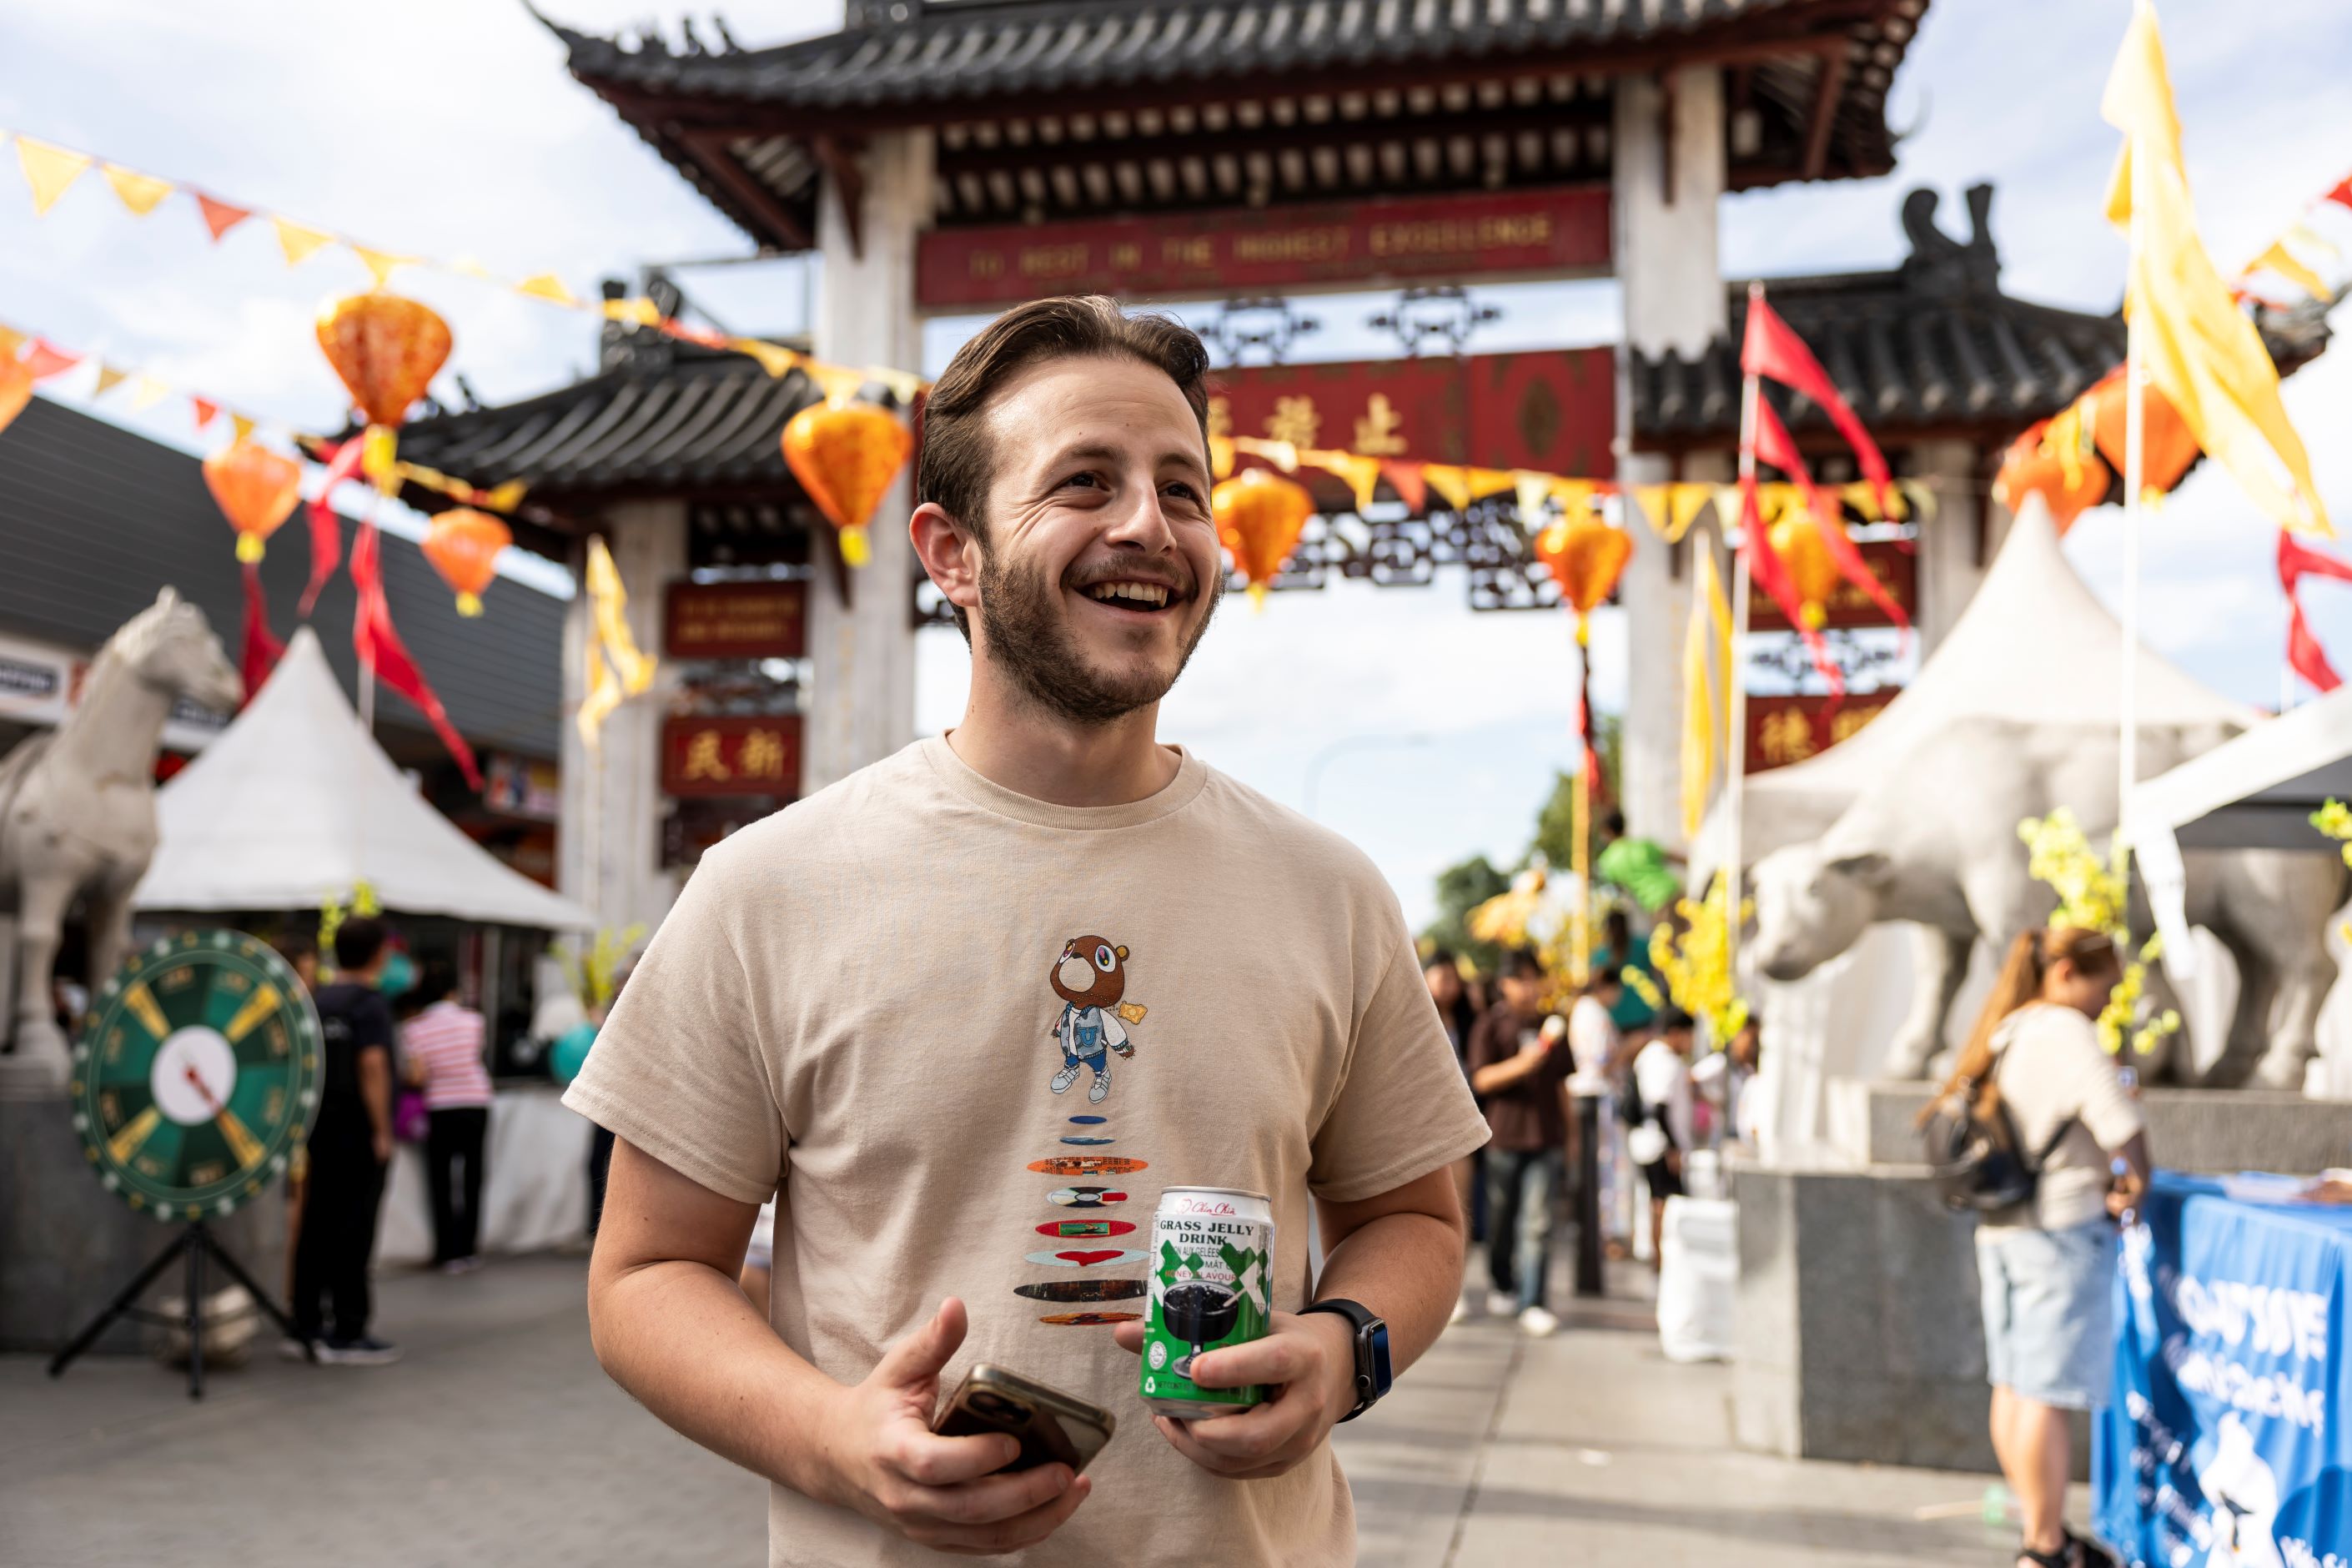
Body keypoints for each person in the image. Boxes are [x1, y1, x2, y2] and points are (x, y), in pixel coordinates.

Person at [565, 296, 1489, 1567]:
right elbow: (644, 1280)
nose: (1148, 528)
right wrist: (837, 1440)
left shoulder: (1328, 890)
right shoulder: (766, 886)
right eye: (1085, 482)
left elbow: (1418, 1223)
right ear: (950, 553)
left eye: (1183, 487)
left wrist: (1347, 1347)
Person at [1939, 927, 2145, 1568]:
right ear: (2064, 972)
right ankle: (2047, 1547)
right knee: (2046, 1395)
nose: (2106, 1004)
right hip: (2059, 1229)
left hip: (2003, 1228)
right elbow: (2122, 1125)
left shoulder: (2009, 1027)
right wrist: (2137, 1180)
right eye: (2104, 987)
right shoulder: (2065, 1030)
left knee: (2014, 1386)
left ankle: (2040, 1533)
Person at [287, 916, 400, 1364]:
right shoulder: (370, 1003)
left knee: (316, 1225)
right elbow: (372, 1066)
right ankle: (348, 1331)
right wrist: (382, 1130)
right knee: (355, 1228)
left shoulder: (317, 1000)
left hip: (320, 1128)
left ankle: (304, 1325)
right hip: (357, 1131)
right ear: (380, 954)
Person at [1465, 950, 1575, 1337]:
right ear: (1505, 983)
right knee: (1501, 1219)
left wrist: (1572, 1135)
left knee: (1539, 1222)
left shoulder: (1552, 1026)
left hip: (1546, 1138)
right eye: (1520, 979)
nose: (1529, 987)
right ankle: (1502, 1282)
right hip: (1503, 1137)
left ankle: (1534, 1300)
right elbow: (1479, 1080)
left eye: (1534, 978)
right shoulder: (1491, 1024)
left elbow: (1563, 1085)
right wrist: (1521, 1065)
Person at [402, 961, 494, 1274]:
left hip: (440, 1105)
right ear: (454, 991)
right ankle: (469, 1248)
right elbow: (474, 1058)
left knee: (440, 1179)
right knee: (472, 1176)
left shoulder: (414, 1028)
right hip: (476, 1102)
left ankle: (447, 1252)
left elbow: (417, 1076)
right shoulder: (474, 1021)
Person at [1424, 947, 1487, 1260]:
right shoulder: (1415, 1016)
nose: (1450, 986)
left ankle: (1456, 1278)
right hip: (1423, 1123)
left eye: (1454, 979)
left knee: (1461, 1206)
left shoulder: (1469, 1019)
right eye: (1443, 977)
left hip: (1460, 1121)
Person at [1626, 1010, 1696, 1268]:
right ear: (1677, 1033)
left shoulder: (1648, 1056)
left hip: (1648, 1140)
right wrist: (1674, 1148)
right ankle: (1663, 1261)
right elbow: (1659, 1106)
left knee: (1658, 1201)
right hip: (1659, 1143)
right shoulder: (1664, 1060)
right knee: (1663, 1204)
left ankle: (1662, 1259)